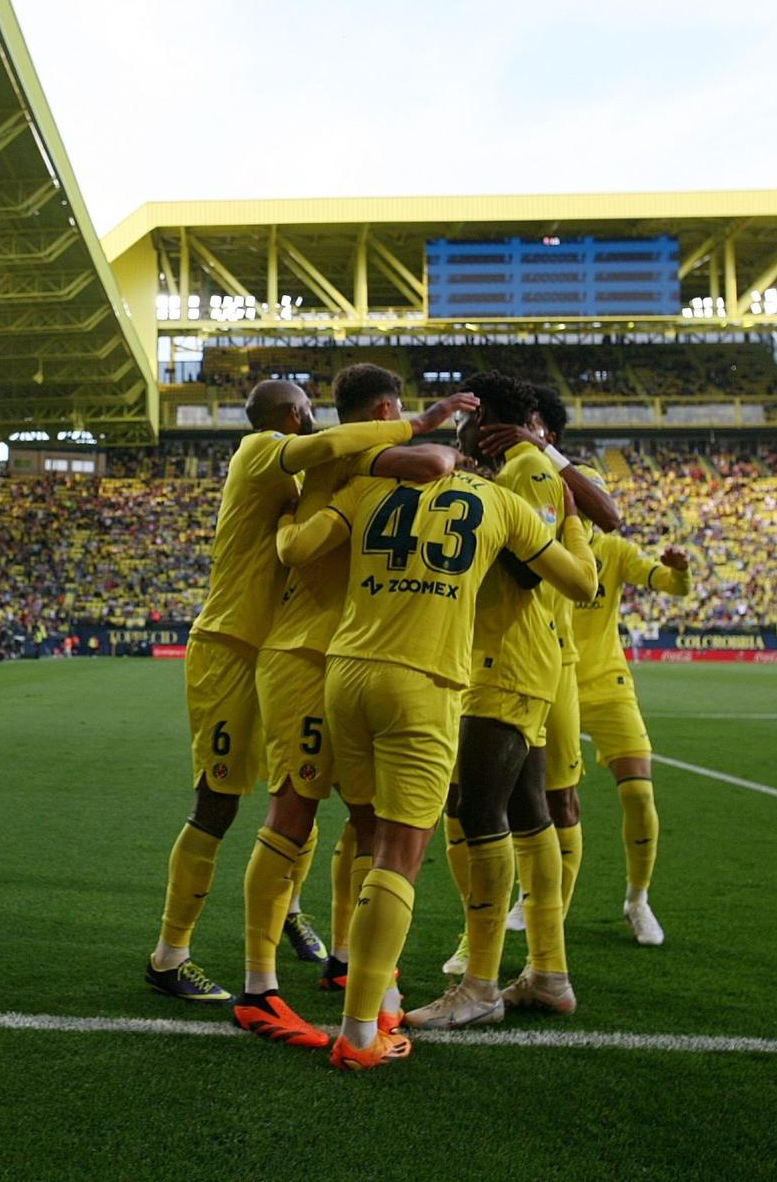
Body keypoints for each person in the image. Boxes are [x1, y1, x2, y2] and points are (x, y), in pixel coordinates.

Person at [145, 376, 473, 1005]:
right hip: (230, 646)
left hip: (284, 647)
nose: (318, 421)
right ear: (291, 416)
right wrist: (421, 423)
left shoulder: (302, 480)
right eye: (309, 412)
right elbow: (335, 452)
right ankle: (170, 955)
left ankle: (289, 908)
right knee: (218, 804)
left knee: (301, 786)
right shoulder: (260, 449)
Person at [275, 430, 597, 1070]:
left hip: (345, 674)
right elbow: (581, 586)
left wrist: (290, 510)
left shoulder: (368, 488)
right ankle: (362, 1033)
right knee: (400, 853)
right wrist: (572, 519)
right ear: (474, 462)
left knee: (367, 834)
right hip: (422, 683)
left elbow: (300, 547)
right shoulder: (498, 504)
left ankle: (380, 990)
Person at [232, 364, 464, 1045]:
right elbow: (423, 461)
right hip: (302, 653)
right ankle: (257, 988)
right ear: (386, 408)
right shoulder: (354, 453)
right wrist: (439, 444)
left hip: (344, 657)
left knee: (371, 820)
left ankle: (364, 969)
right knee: (294, 811)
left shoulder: (348, 456)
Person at [412, 371, 585, 1027]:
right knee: (525, 810)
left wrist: (472, 492)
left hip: (508, 661)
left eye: (464, 421)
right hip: (506, 655)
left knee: (476, 807)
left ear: (483, 422)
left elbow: (522, 562)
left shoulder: (529, 469)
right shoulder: (516, 468)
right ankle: (547, 971)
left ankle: (479, 986)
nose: (458, 433)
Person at [478, 388, 620, 939]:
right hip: (506, 651)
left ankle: (549, 914)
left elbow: (609, 516)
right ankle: (527, 918)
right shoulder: (505, 476)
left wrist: (542, 452)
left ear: (549, 433)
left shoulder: (569, 473)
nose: (512, 431)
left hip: (553, 657)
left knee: (556, 794)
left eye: (530, 424)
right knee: (500, 796)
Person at [567, 528, 690, 946]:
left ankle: (638, 900)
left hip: (607, 684)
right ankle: (533, 896)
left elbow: (670, 585)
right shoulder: (540, 541)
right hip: (552, 681)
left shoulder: (614, 550)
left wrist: (680, 572)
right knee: (545, 801)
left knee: (639, 793)